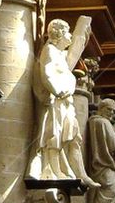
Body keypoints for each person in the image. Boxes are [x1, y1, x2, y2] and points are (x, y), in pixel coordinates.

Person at [28, 16, 97, 185]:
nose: (70, 37)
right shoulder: (50, 50)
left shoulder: (60, 53)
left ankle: (80, 174)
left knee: (73, 137)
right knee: (54, 135)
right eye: (68, 34)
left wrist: (83, 31)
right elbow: (46, 74)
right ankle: (53, 169)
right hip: (56, 101)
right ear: (59, 35)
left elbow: (76, 48)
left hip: (65, 102)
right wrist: (58, 92)